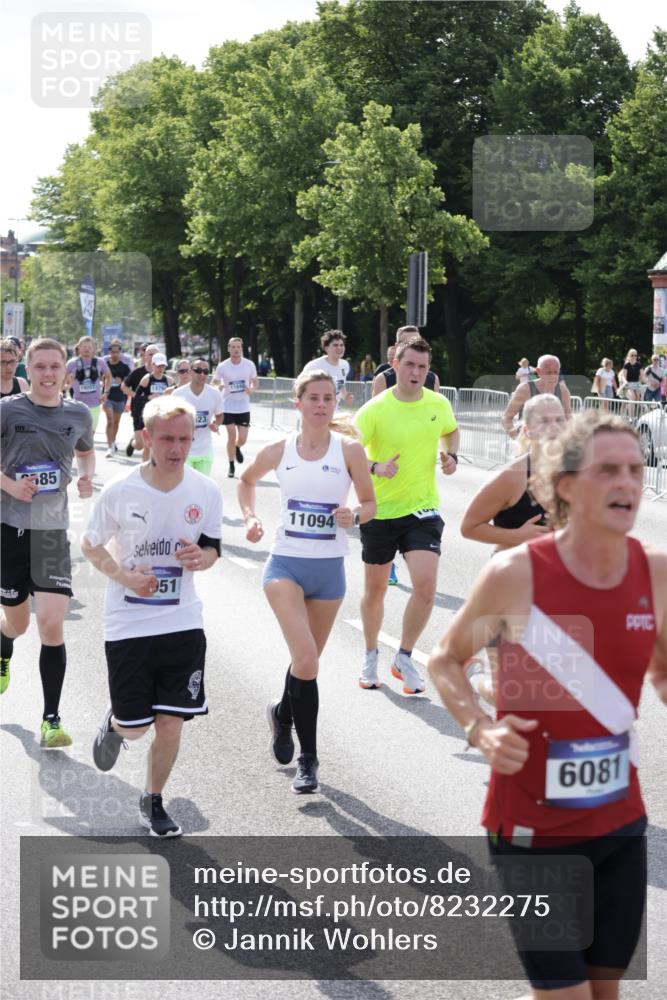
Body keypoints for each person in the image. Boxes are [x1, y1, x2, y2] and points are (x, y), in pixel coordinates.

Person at [428, 411, 666, 999]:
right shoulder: (516, 574)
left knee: (605, 995)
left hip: (620, 822)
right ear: (566, 485)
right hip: (535, 831)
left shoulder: (656, 573)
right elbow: (445, 658)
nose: (628, 483)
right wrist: (479, 729)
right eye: (608, 469)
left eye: (636, 469)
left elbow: (663, 669)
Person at [82, 395, 222, 837]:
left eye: (185, 438)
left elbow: (214, 547)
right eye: (167, 439)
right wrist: (125, 577)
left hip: (182, 621)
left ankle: (152, 800)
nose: (177, 448)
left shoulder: (205, 490)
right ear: (147, 437)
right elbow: (90, 544)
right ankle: (117, 724)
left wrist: (202, 558)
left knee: (171, 721)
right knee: (137, 728)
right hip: (129, 624)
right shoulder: (121, 490)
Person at [238, 370, 375, 794]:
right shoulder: (280, 449)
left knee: (305, 661)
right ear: (297, 403)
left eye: (328, 398)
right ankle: (309, 760)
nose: (321, 404)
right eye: (313, 397)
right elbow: (246, 481)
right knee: (309, 661)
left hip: (329, 569)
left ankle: (282, 713)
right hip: (286, 567)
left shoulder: (349, 449)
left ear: (335, 403)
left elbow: (370, 503)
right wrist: (251, 518)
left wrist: (355, 514)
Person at [0, 338, 95, 746]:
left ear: (65, 371)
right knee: (18, 623)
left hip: (52, 531)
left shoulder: (78, 413)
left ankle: (51, 720)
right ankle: (4, 647)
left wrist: (88, 474)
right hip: (10, 529)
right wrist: (9, 485)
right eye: (40, 366)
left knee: (51, 623)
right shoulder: (7, 410)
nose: (48, 373)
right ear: (28, 369)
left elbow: (86, 452)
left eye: (55, 366)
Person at [355, 337, 459, 694]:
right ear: (395, 365)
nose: (416, 372)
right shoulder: (375, 409)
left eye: (423, 367)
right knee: (376, 590)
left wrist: (452, 456)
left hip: (422, 509)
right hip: (381, 512)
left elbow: (451, 430)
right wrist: (374, 466)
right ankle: (370, 656)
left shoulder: (437, 403)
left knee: (426, 588)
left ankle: (404, 657)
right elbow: (348, 450)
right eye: (410, 365)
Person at [460, 393, 567, 707]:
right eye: (545, 421)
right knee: (511, 694)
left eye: (559, 419)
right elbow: (469, 527)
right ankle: (474, 678)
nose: (554, 426)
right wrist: (518, 536)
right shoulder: (511, 477)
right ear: (528, 430)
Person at [214, 338, 258, 479]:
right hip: (227, 405)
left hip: (243, 406)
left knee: (243, 438)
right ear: (228, 349)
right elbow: (214, 382)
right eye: (233, 347)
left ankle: (238, 447)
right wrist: (218, 386)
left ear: (242, 348)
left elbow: (255, 381)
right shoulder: (223, 366)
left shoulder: (249, 364)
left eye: (238, 347)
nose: (236, 349)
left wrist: (251, 389)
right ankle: (231, 465)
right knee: (231, 435)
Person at [173, 357, 224, 476]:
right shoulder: (178, 394)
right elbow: (171, 419)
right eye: (198, 370)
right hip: (184, 451)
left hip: (205, 451)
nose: (202, 374)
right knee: (186, 488)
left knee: (202, 490)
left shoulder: (215, 394)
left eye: (206, 372)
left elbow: (220, 415)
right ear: (190, 371)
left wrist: (216, 424)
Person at [502, 353, 572, 438]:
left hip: (552, 445)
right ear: (539, 372)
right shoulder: (525, 389)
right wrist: (517, 439)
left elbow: (569, 418)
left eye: (556, 372)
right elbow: (506, 418)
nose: (553, 376)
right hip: (529, 444)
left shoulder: (563, 391)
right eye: (549, 373)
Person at [372, 326, 441, 396]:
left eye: (417, 342)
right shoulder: (383, 379)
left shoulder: (433, 379)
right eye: (407, 343)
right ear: (397, 346)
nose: (413, 347)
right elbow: (377, 405)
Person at [131, 352, 174, 462]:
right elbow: (136, 398)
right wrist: (148, 398)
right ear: (153, 365)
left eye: (163, 366)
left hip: (163, 415)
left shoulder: (169, 381)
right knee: (147, 446)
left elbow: (176, 399)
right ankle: (145, 467)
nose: (161, 368)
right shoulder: (147, 379)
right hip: (148, 415)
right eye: (158, 366)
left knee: (161, 444)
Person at [65, 336, 111, 435]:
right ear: (79, 348)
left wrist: (106, 392)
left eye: (89, 347)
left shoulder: (100, 362)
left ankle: (87, 450)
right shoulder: (72, 363)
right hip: (77, 404)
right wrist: (65, 386)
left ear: (94, 349)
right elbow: (62, 379)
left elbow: (109, 377)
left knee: (90, 434)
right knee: (76, 433)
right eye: (84, 346)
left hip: (94, 404)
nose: (87, 349)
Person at [122, 344, 159, 457]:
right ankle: (133, 442)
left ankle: (149, 469)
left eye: (156, 354)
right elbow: (123, 387)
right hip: (139, 409)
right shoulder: (138, 372)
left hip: (156, 411)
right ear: (145, 356)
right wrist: (136, 396)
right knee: (140, 445)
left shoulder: (162, 374)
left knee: (152, 443)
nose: (153, 357)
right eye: (150, 354)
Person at [301, 330, 352, 410]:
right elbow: (298, 386)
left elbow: (340, 386)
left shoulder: (345, 365)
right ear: (326, 348)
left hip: (334, 411)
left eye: (341, 345)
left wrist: (346, 396)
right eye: (335, 345)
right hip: (316, 411)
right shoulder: (314, 365)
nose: (339, 348)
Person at [102, 339, 134, 457]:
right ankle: (110, 446)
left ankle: (113, 441)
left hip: (120, 397)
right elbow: (100, 379)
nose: (115, 354)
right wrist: (104, 388)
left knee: (116, 422)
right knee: (110, 421)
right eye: (113, 352)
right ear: (109, 352)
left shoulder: (124, 367)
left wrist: (123, 381)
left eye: (117, 352)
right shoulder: (105, 366)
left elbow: (130, 381)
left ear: (120, 352)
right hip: (108, 396)